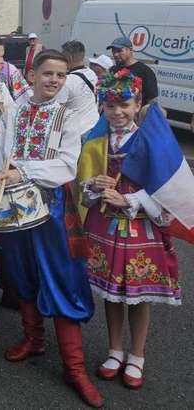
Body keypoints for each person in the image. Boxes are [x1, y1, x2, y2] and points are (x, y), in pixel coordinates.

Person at [0, 50, 103, 408]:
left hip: (51, 209)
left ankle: (74, 367)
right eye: (48, 73)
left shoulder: (68, 117)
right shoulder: (13, 111)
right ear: (32, 75)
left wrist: (22, 171)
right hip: (14, 206)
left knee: (61, 278)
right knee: (21, 274)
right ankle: (34, 340)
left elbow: (66, 166)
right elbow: (0, 156)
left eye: (61, 76)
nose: (54, 80)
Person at [78, 70, 181, 389]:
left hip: (141, 228)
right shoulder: (94, 141)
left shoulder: (152, 141)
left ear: (138, 104)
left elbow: (168, 188)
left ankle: (137, 355)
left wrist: (129, 198)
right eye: (110, 105)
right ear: (102, 108)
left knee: (138, 296)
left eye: (124, 104)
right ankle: (114, 350)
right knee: (112, 293)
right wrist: (93, 185)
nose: (117, 111)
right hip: (104, 228)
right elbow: (82, 190)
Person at [60, 40, 100, 135]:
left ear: (69, 57)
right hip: (94, 127)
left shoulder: (67, 81)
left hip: (78, 133)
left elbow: (58, 110)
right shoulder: (92, 73)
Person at [108, 37, 158, 105]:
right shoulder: (113, 70)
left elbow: (152, 99)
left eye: (119, 51)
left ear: (130, 50)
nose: (115, 54)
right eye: (113, 51)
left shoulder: (145, 71)